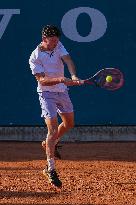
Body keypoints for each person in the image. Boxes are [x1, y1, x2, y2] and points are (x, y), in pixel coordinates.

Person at [29, 25, 83, 188]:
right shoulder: (35, 56)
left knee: (69, 124)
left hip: (62, 92)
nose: (55, 44)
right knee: (52, 130)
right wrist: (61, 79)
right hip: (46, 94)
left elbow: (68, 60)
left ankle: (49, 143)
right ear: (44, 39)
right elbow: (42, 80)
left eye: (56, 41)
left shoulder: (58, 45)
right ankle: (50, 169)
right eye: (52, 41)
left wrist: (73, 76)